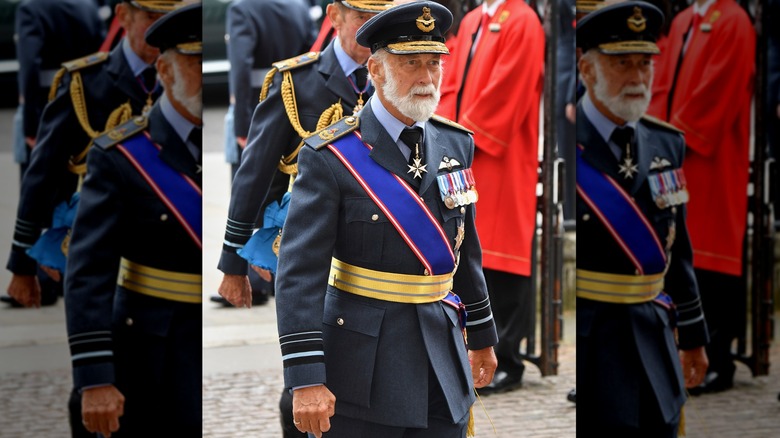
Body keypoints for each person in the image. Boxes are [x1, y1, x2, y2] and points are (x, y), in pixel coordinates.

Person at [270, 3, 498, 436]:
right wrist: (305, 377)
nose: (427, 78)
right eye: (411, 63)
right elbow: (300, 274)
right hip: (364, 367)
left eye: (434, 64)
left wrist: (483, 335)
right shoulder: (331, 155)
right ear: (374, 68)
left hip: (442, 357)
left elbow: (466, 252)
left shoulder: (455, 143)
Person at [64, 3, 202, 437]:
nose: (204, 73)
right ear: (164, 70)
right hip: (151, 348)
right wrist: (95, 377)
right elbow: (88, 273)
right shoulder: (122, 155)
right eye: (194, 62)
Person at [576, 2, 710, 435]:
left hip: (654, 335)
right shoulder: (569, 140)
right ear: (587, 68)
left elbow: (679, 248)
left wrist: (692, 334)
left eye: (644, 63)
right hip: (593, 342)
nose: (637, 78)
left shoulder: (666, 142)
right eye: (621, 64)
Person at [5, 0, 179, 310]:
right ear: (124, 16)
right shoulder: (82, 83)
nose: (160, 29)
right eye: (151, 18)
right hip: (99, 246)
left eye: (169, 19)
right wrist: (22, 262)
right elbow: (43, 173)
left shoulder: (185, 76)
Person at [648, 0, 755, 395]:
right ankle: (685, 352)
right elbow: (660, 84)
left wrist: (675, 135)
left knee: (713, 258)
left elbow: (721, 85)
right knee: (682, 252)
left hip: (711, 157)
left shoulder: (734, 20)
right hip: (676, 157)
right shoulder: (682, 21)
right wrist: (655, 136)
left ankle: (719, 358)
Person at [437, 0, 545, 395]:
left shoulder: (524, 20)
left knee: (504, 259)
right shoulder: (471, 20)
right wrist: (442, 132)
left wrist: (463, 134)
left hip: (500, 153)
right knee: (472, 254)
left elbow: (509, 87)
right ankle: (475, 352)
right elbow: (449, 83)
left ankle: (509, 359)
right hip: (465, 155)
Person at [1, 0, 105, 309]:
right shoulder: (87, 7)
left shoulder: (32, 9)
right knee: (69, 193)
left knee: (36, 194)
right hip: (84, 110)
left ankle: (43, 282)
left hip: (45, 107)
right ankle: (61, 273)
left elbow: (29, 65)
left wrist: (32, 124)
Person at [213, 0, 316, 308]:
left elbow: (240, 67)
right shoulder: (298, 8)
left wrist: (243, 125)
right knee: (278, 194)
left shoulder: (242, 9)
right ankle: (270, 273)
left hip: (256, 106)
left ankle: (254, 279)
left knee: (248, 195)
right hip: (295, 110)